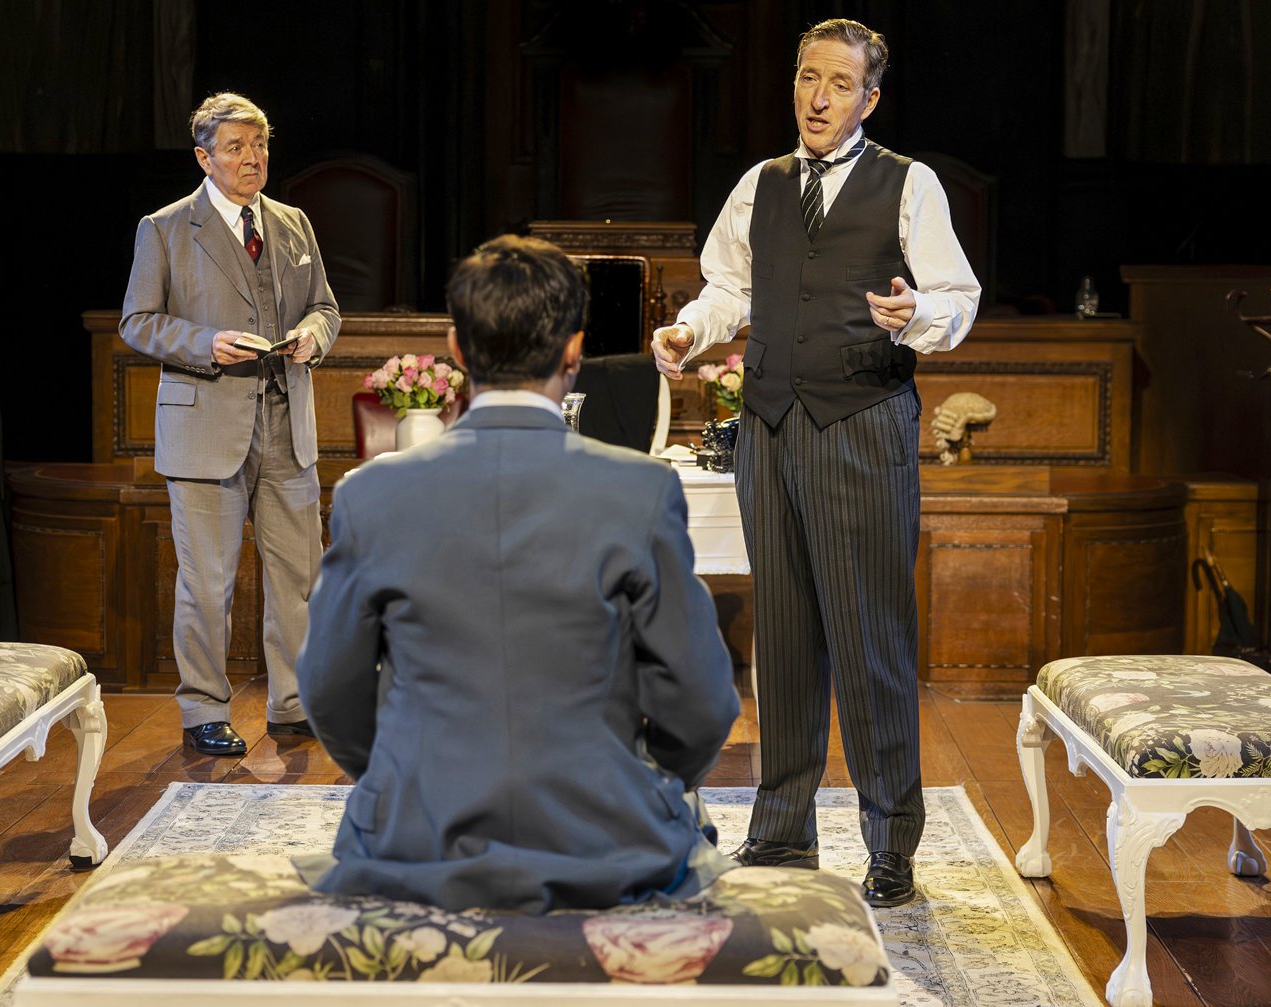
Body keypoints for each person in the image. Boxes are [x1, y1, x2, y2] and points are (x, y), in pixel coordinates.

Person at [294, 235, 739, 914]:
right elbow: (701, 700)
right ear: (573, 350)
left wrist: (407, 780)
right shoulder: (638, 490)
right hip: (605, 845)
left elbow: (328, 688)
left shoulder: (369, 494)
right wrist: (641, 778)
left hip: (414, 842)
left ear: (457, 348)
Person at [651, 19, 980, 908]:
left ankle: (889, 844)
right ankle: (782, 828)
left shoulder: (908, 185)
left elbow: (957, 301)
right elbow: (730, 285)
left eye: (838, 83)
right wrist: (693, 328)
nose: (818, 97)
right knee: (786, 635)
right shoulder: (760, 183)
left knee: (870, 636)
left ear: (869, 98)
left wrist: (911, 314)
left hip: (863, 423)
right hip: (768, 425)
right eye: (806, 78)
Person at [121, 92, 340, 756]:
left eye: (260, 146)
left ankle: (294, 703)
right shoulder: (164, 228)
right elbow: (137, 322)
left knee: (299, 576)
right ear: (203, 157)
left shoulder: (294, 223)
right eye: (237, 147)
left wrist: (310, 334)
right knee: (208, 581)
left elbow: (326, 307)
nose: (252, 158)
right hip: (207, 428)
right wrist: (203, 343)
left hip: (284, 426)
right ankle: (203, 710)